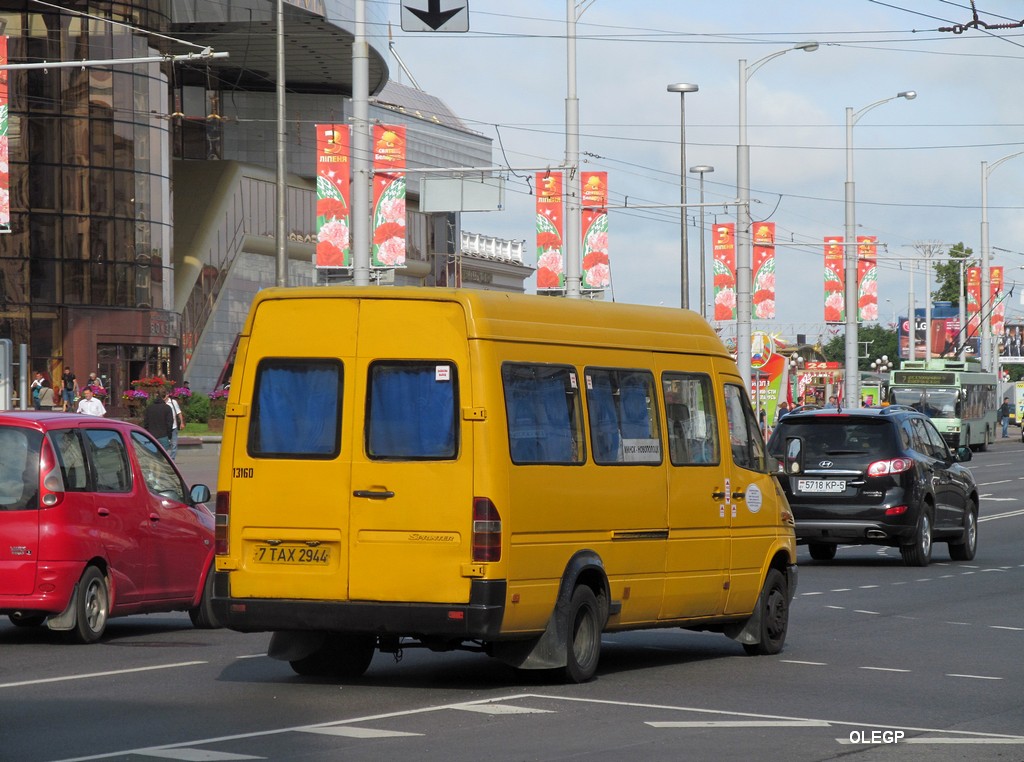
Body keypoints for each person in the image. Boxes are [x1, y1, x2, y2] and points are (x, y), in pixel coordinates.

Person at [167, 390, 185, 459]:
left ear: (168, 395)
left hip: (173, 426)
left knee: (174, 444)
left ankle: (172, 459)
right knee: (165, 444)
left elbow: (179, 412)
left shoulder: (173, 402)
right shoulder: (162, 403)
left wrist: (181, 422)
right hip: (165, 427)